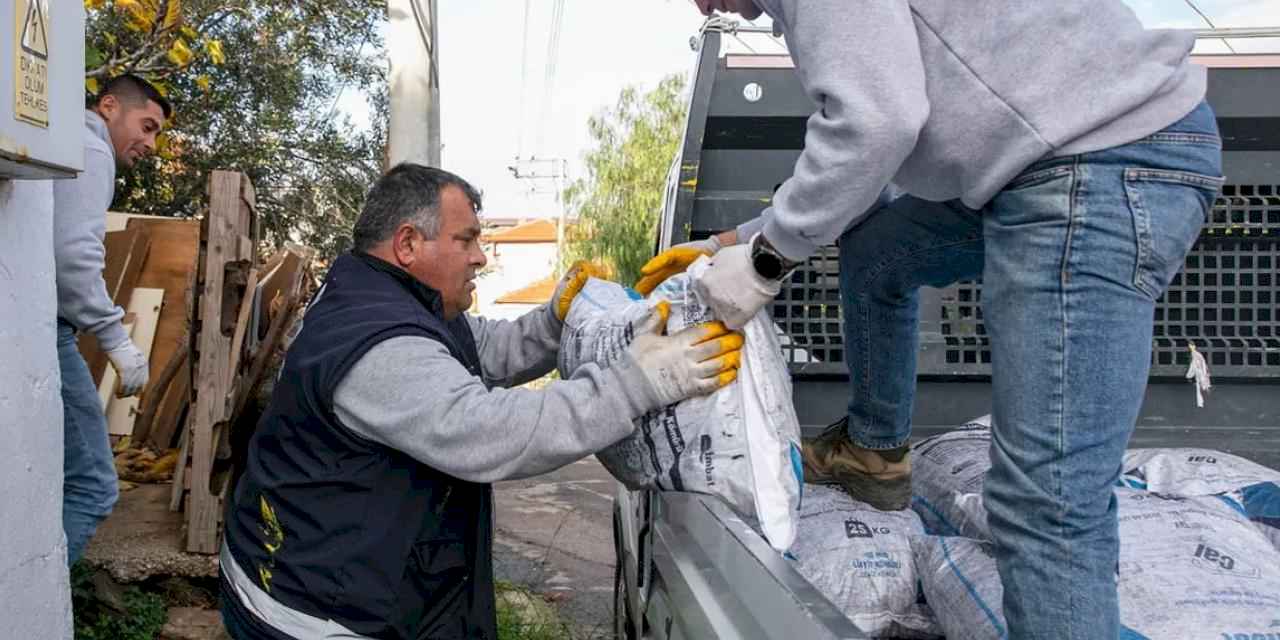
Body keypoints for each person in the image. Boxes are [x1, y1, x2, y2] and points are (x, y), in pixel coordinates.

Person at [639, 1, 1225, 637]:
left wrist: (764, 263)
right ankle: (877, 449)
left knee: (1047, 507)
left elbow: (876, 125)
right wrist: (737, 241)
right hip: (1038, 166)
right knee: (877, 251)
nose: (703, 3)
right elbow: (870, 165)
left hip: (1095, 164)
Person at [218, 164, 745, 639]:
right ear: (407, 245)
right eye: (467, 239)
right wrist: (637, 383)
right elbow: (492, 433)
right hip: (316, 614)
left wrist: (551, 320)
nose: (480, 258)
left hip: (333, 578)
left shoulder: (385, 300)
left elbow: (480, 348)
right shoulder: (378, 344)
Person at [53, 74, 170, 564]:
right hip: (47, 333)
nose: (150, 143)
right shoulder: (91, 149)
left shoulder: (62, 141)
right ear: (107, 107)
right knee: (95, 486)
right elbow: (73, 256)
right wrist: (115, 338)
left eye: (157, 134)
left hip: (35, 326)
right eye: (146, 126)